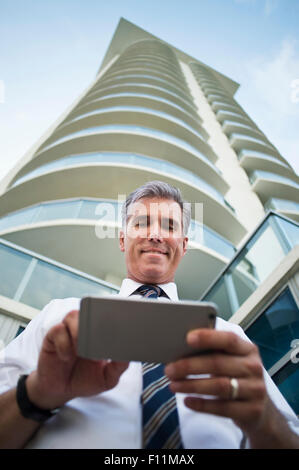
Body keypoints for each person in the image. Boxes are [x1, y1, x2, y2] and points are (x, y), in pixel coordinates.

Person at [0, 180, 298, 449]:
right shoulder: (61, 317)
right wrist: (39, 392)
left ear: (183, 246)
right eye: (142, 224)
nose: (155, 235)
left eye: (169, 227)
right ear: (121, 240)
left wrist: (266, 421)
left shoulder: (230, 339)